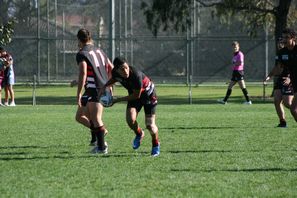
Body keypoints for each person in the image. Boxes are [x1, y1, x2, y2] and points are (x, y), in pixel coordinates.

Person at [101, 57, 160, 157]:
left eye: (126, 67)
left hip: (148, 96)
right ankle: (139, 133)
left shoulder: (136, 75)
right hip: (135, 95)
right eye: (122, 69)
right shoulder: (115, 73)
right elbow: (113, 80)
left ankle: (155, 145)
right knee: (130, 120)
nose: (125, 71)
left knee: (150, 125)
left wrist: (116, 100)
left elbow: (136, 96)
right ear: (117, 70)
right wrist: (105, 87)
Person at [75, 28, 113, 154]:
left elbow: (83, 72)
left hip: (94, 89)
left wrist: (78, 92)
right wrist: (110, 85)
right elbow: (110, 67)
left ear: (79, 40)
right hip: (97, 88)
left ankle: (102, 147)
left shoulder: (82, 53)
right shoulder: (100, 50)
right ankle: (100, 132)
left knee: (96, 118)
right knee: (80, 116)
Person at [263, 38, 293, 127]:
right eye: (278, 43)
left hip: (288, 79)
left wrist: (290, 78)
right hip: (280, 79)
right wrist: (269, 76)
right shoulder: (279, 54)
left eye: (282, 43)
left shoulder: (292, 53)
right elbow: (277, 67)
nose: (279, 45)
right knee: (276, 101)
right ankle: (282, 122)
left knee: (288, 103)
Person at [276, 28, 297, 123]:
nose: (284, 40)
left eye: (287, 37)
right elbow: (282, 68)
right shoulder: (282, 52)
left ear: (293, 38)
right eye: (283, 37)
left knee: (293, 109)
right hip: (295, 83)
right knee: (293, 109)